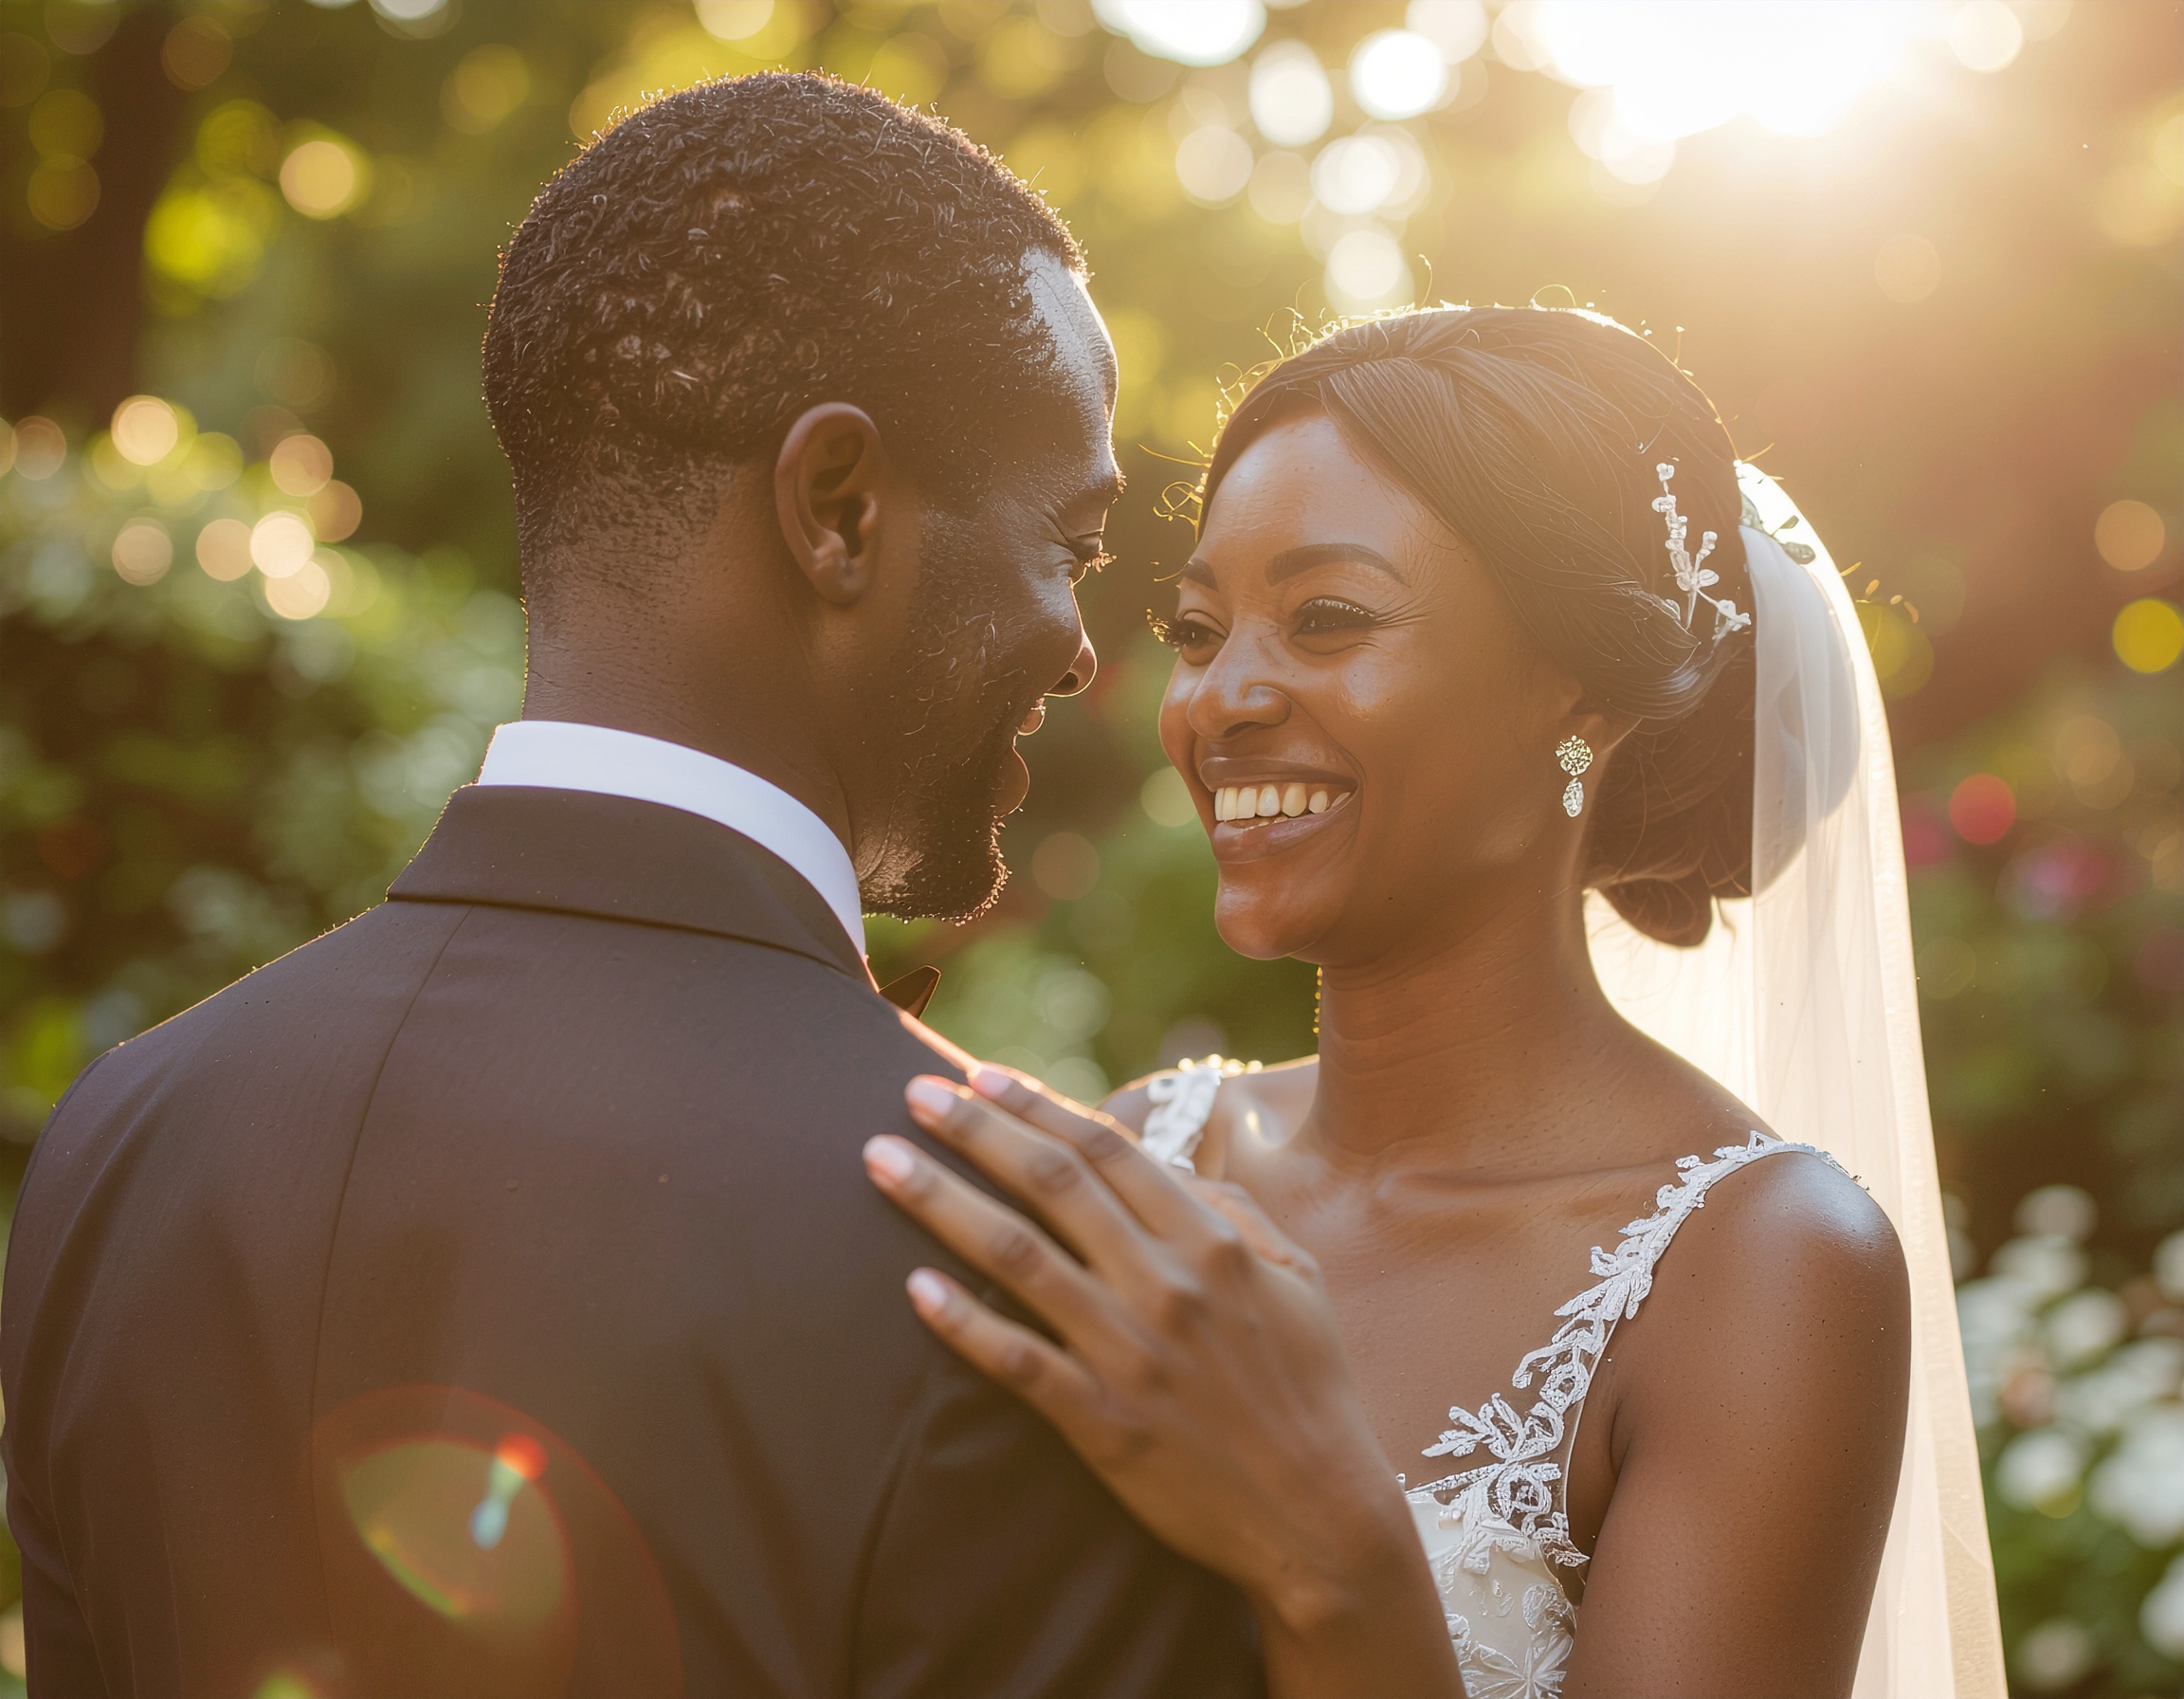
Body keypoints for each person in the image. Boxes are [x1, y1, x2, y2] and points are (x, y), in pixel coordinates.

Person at [0, 75, 1265, 1696]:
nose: (1084, 645)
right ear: (840, 509)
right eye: (1072, 544)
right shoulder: (1025, 1272)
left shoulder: (122, 1131)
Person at [864, 306, 2008, 1697]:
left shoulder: (1761, 1269)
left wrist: (1331, 1554)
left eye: (1329, 617)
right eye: (1199, 627)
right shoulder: (1143, 1158)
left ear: (1577, 688)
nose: (1220, 698)